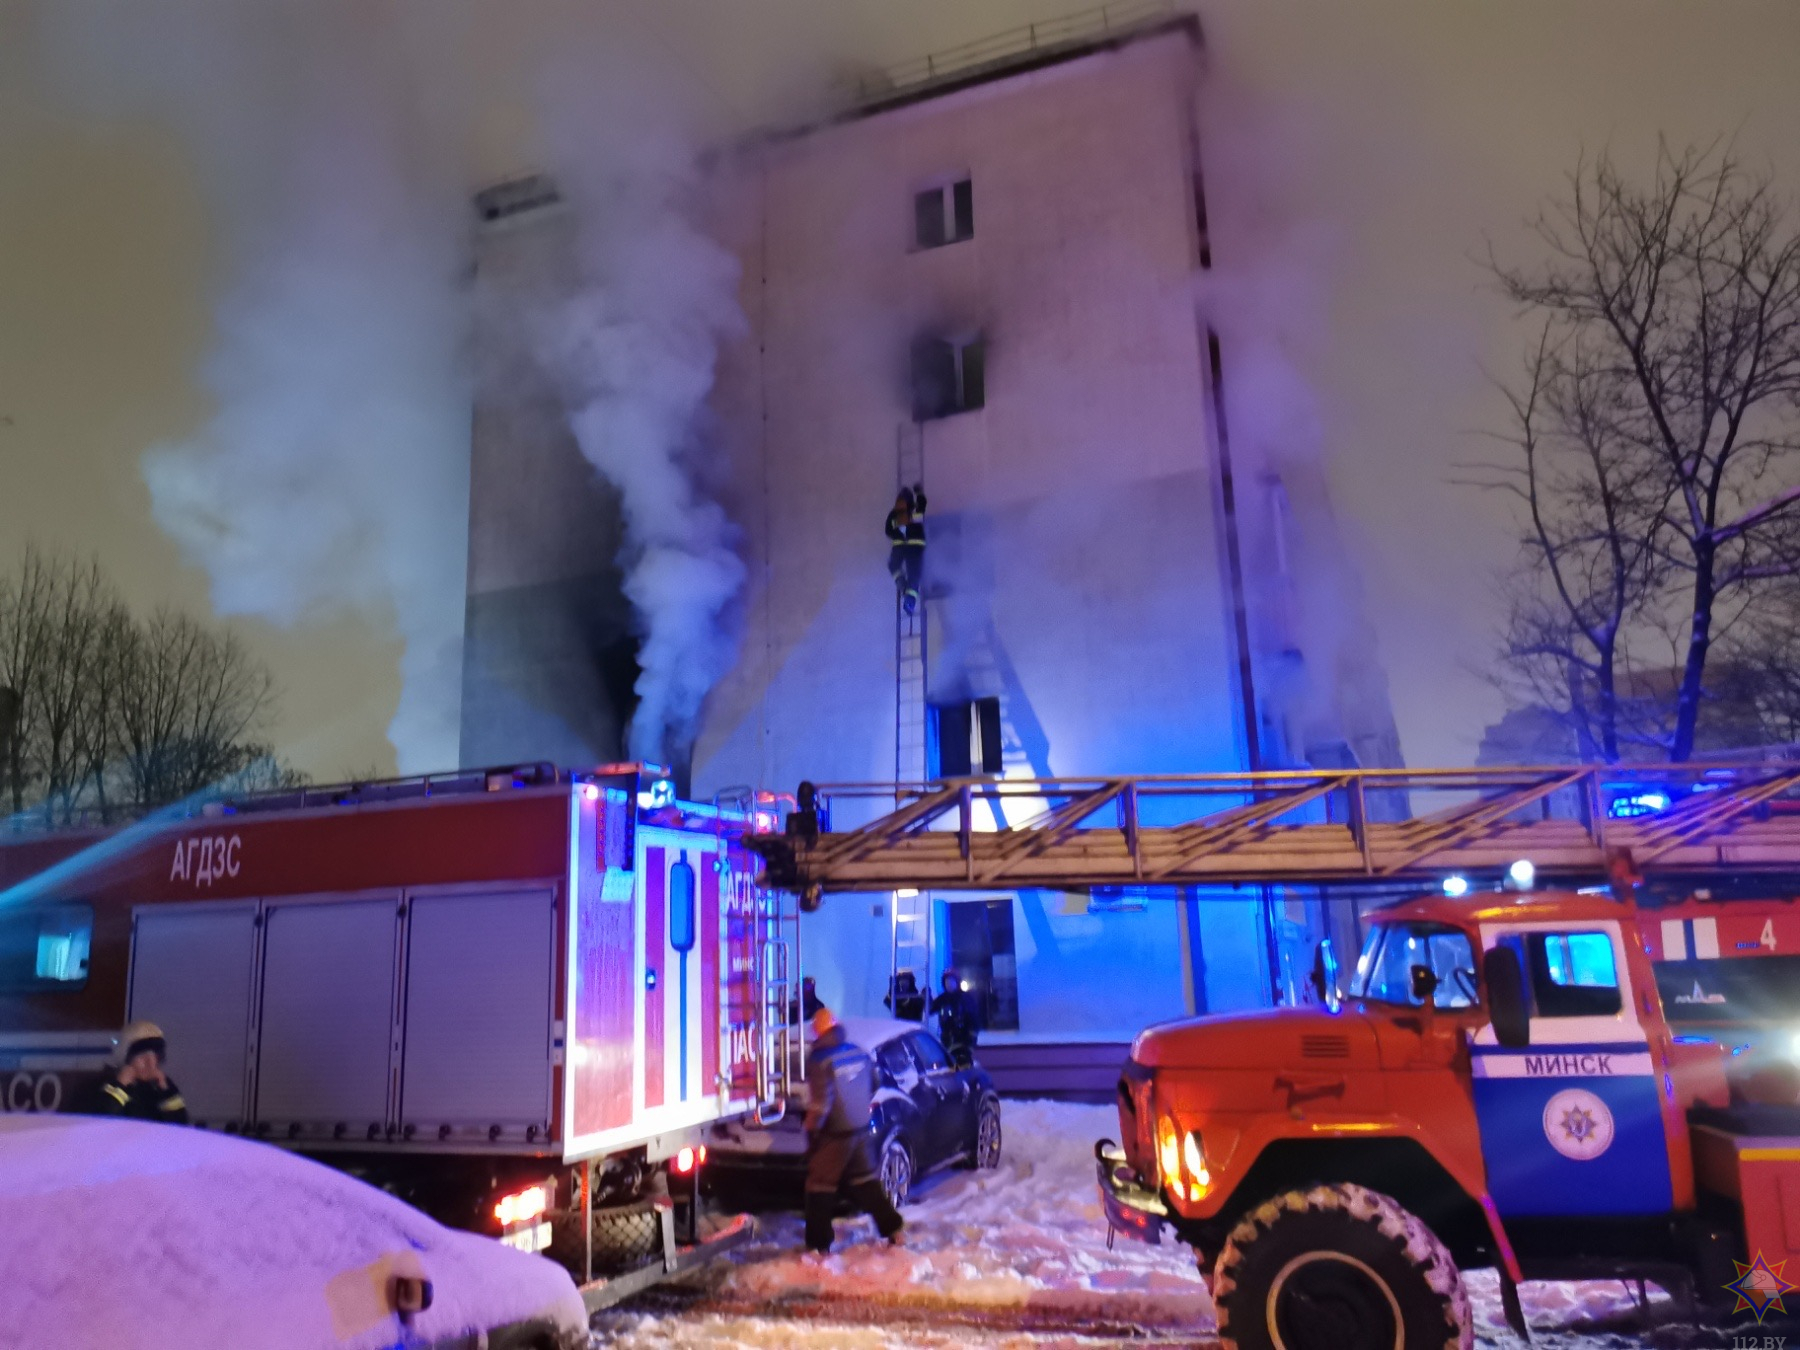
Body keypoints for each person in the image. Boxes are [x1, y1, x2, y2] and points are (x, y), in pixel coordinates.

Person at [802, 1007, 904, 1254]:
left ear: (817, 1032)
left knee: (819, 1187)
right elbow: (875, 1082)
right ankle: (894, 1229)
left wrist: (812, 1129)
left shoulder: (820, 1059)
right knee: (865, 1181)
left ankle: (818, 1246)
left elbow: (822, 1103)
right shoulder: (858, 1051)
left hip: (835, 1133)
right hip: (860, 1129)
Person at [83, 1021, 189, 1124]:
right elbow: (101, 1122)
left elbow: (180, 1126)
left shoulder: (161, 1086)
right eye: (143, 1056)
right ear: (126, 1056)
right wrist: (120, 1086)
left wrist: (166, 1092)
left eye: (155, 1056)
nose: (150, 1064)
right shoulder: (101, 1085)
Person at [884, 485, 927, 615]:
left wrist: (898, 535)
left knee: (893, 565)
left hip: (899, 547)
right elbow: (922, 504)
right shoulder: (914, 509)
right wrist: (919, 492)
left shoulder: (894, 514)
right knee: (914, 575)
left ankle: (901, 584)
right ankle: (909, 602)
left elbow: (888, 531)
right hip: (915, 546)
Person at [930, 972, 978, 1067]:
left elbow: (974, 1022)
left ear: (957, 982)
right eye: (947, 982)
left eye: (952, 982)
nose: (949, 984)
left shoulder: (965, 999)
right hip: (947, 1040)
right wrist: (927, 998)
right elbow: (930, 1010)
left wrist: (970, 1044)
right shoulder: (942, 999)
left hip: (963, 1040)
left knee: (964, 1066)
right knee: (949, 1067)